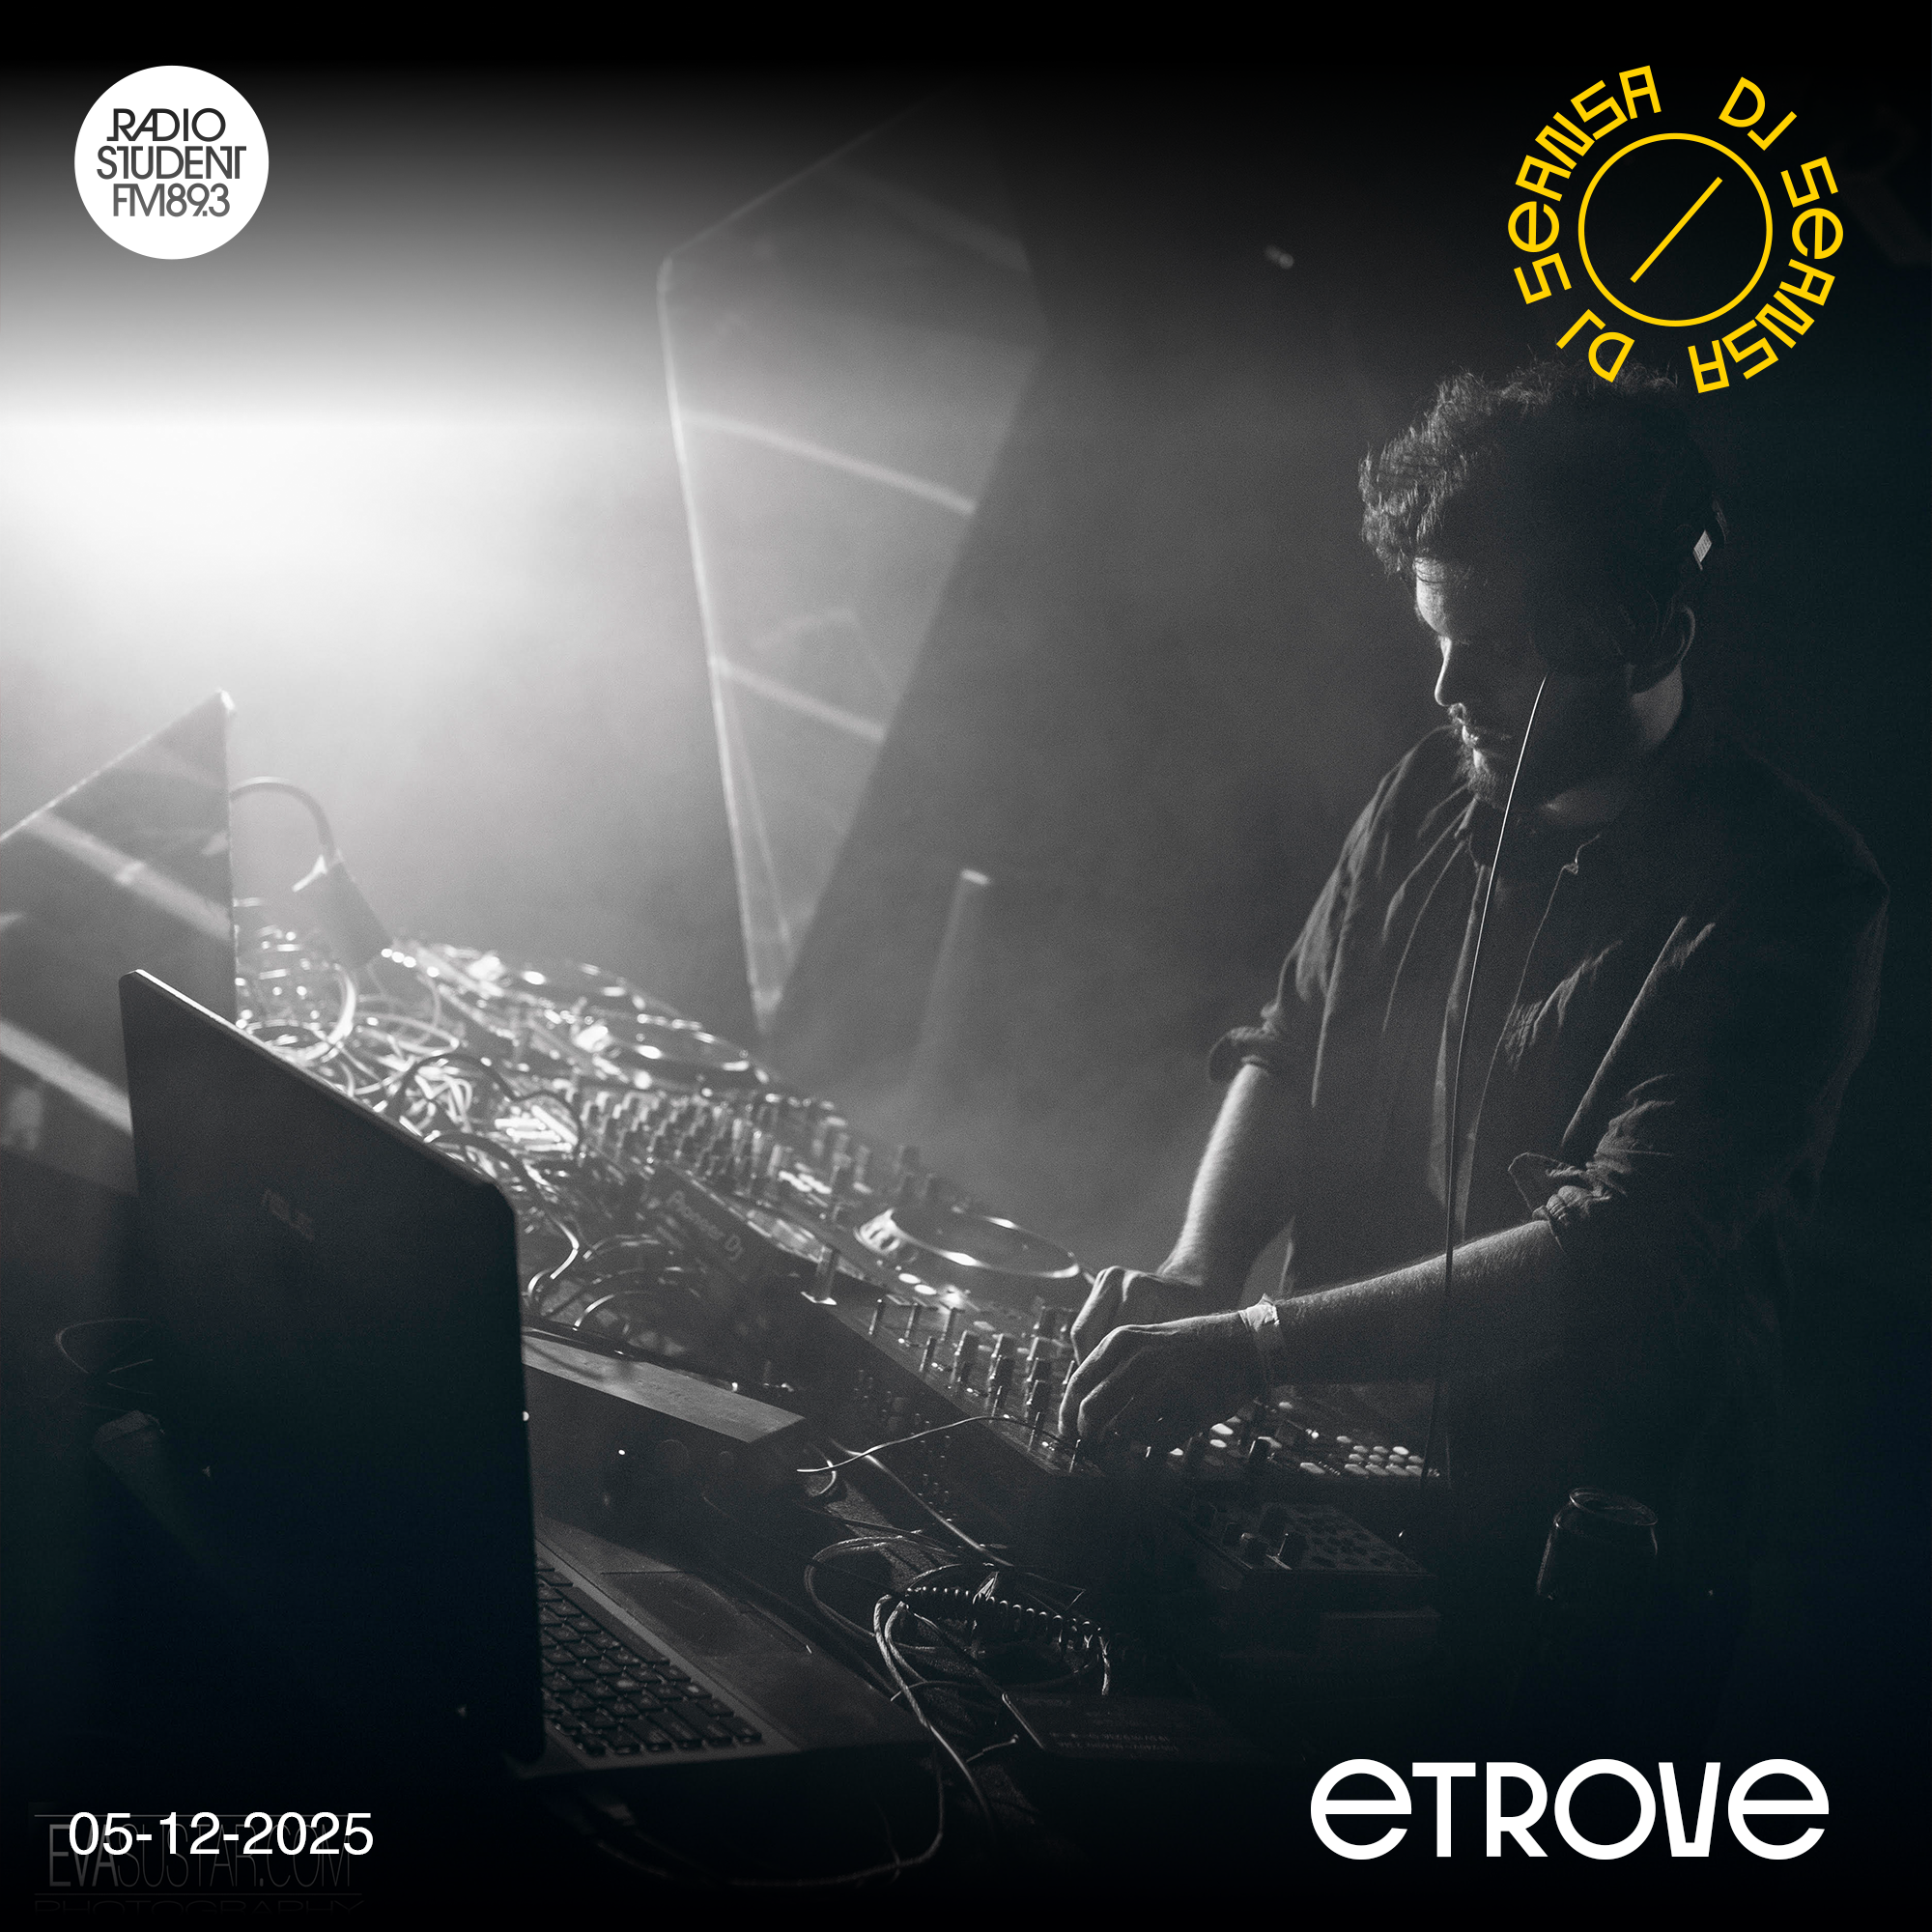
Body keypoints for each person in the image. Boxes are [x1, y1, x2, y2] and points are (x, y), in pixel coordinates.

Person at [1057, 359, 1888, 1735]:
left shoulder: (1794, 898)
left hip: (1571, 1567)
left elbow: (1618, 1248)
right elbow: (1291, 1042)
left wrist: (1254, 1345)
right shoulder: (1426, 792)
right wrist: (1203, 1269)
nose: (1448, 686)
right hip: (1336, 1444)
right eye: (1437, 636)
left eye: (1498, 649)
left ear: (1651, 631)